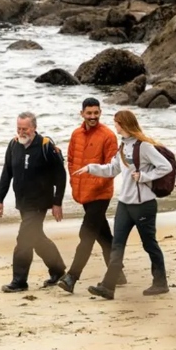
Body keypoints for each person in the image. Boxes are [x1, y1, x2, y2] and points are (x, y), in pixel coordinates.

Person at [72, 109, 172, 298]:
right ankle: (108, 287)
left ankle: (161, 282)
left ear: (124, 124)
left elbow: (165, 167)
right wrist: (90, 168)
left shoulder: (144, 147)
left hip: (144, 205)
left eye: (116, 122)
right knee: (117, 245)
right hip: (125, 204)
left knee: (149, 244)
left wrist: (144, 176)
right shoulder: (123, 146)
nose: (114, 125)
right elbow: (112, 169)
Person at [0, 111, 68, 293]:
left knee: (24, 238)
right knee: (36, 238)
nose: (21, 132)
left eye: (25, 128)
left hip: (40, 202)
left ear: (34, 128)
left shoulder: (45, 146)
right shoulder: (13, 145)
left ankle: (19, 281)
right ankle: (58, 271)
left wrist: (57, 202)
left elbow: (60, 175)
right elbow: (7, 173)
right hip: (23, 202)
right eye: (19, 128)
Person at [57, 97, 118, 294]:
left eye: (96, 113)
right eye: (89, 113)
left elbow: (111, 168)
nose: (92, 116)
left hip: (100, 194)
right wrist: (75, 184)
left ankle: (71, 277)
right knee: (103, 234)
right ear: (82, 113)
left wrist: (94, 187)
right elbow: (72, 160)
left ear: (100, 113)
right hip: (82, 193)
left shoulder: (108, 136)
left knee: (87, 234)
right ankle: (118, 271)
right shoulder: (76, 134)